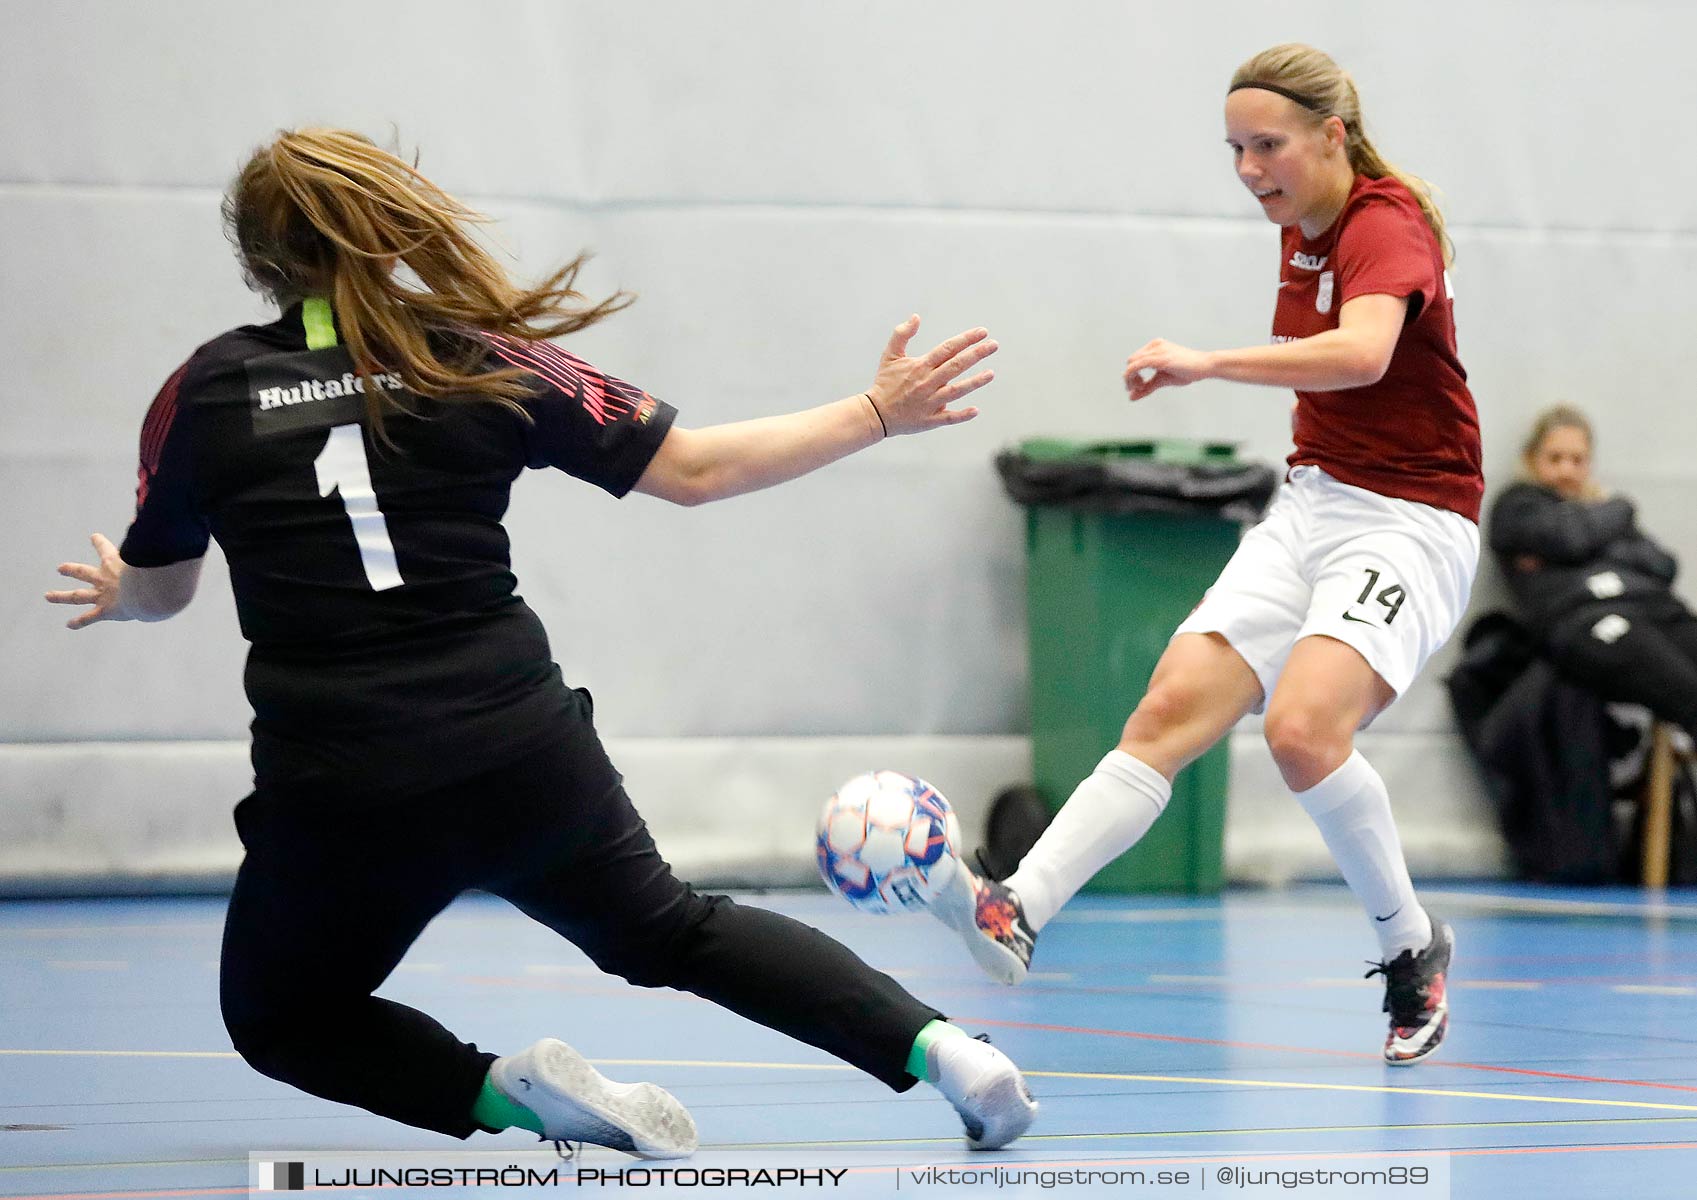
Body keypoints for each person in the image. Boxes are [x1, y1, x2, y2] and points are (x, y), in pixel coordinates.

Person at [45, 129, 1036, 1156]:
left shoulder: (203, 394)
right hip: (517, 750)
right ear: (390, 230)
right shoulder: (473, 355)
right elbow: (695, 470)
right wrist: (875, 411)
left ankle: (511, 1094)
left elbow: (163, 591)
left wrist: (124, 593)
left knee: (281, 1017)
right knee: (673, 932)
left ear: (258, 258)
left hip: (341, 782)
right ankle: (947, 1053)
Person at [932, 44, 1480, 1066]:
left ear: (1331, 134)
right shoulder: (1302, 221)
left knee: (1302, 731)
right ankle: (1017, 910)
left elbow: (1362, 355)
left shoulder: (1382, 221)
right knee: (1166, 710)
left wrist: (1204, 360)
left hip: (1410, 517)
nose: (1247, 169)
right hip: (1311, 503)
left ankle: (1410, 946)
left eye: (1265, 145)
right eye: (1233, 148)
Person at [1490, 405, 1697, 738]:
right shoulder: (1517, 506)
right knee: (1687, 692)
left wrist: (1594, 537)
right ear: (1532, 459)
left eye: (1577, 460)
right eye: (1555, 458)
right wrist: (1619, 510)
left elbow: (1662, 565)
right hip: (1588, 621)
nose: (1567, 471)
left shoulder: (1597, 513)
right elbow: (1568, 538)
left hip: (1654, 608)